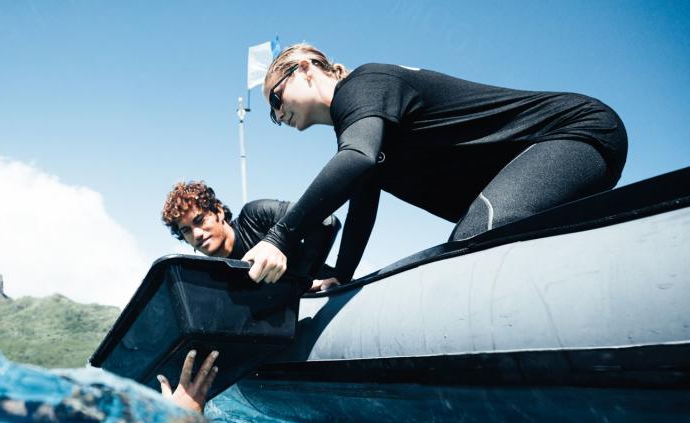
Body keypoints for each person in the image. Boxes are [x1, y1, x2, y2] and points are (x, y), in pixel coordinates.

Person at [241, 44, 628, 285]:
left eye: (276, 99)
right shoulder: (365, 129)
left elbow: (355, 162)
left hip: (577, 132)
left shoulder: (363, 85)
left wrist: (279, 238)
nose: (278, 116)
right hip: (562, 152)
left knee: (470, 241)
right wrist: (341, 275)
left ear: (307, 68)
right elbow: (362, 203)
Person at [161, 180, 341, 291]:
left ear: (218, 212)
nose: (197, 234)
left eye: (199, 220)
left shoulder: (255, 216)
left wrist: (303, 282)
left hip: (333, 290)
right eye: (186, 230)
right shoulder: (210, 279)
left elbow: (325, 220)